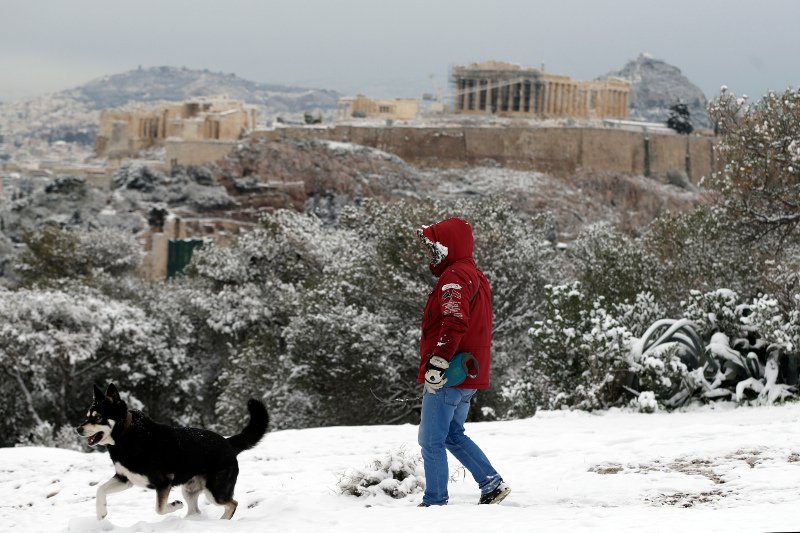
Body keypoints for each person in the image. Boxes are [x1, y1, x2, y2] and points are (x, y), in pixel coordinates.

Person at [415, 217, 510, 507]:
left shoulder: (454, 278)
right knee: (453, 434)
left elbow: (454, 321)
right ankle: (491, 483)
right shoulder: (475, 275)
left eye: (435, 247)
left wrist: (438, 363)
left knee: (431, 440)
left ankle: (434, 502)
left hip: (449, 374)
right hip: (467, 373)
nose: (432, 253)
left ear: (450, 246)